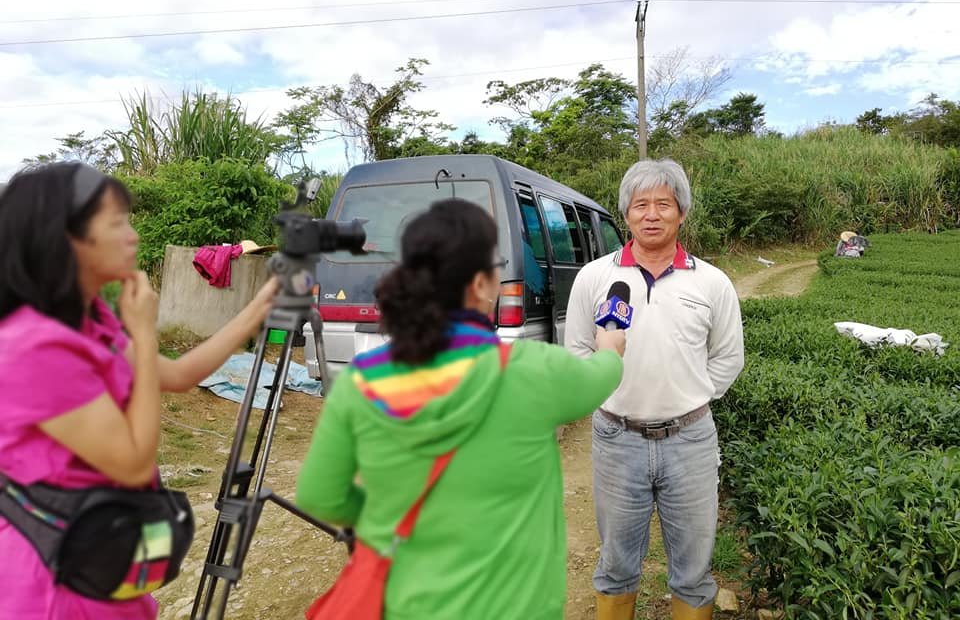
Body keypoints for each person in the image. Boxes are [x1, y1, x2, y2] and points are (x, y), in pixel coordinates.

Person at [296, 198, 625, 620]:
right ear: (481, 284)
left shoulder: (360, 382)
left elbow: (318, 494)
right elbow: (601, 377)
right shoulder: (533, 371)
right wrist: (611, 346)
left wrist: (384, 519)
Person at [0, 162, 278, 619]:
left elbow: (179, 375)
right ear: (64, 237)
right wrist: (146, 334)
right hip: (54, 581)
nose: (132, 236)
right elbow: (131, 462)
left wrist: (261, 306)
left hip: (103, 549)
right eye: (116, 224)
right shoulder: (35, 347)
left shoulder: (89, 321)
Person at [565, 159, 744, 620]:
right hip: (616, 440)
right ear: (626, 213)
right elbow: (578, 350)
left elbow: (728, 357)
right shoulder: (595, 278)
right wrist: (603, 385)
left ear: (681, 212)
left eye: (663, 204)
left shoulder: (711, 282)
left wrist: (687, 396)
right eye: (640, 204)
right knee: (616, 567)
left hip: (691, 441)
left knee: (693, 571)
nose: (651, 214)